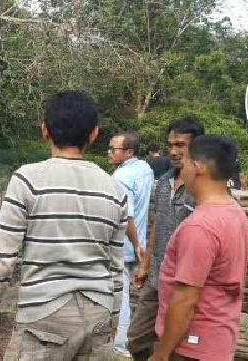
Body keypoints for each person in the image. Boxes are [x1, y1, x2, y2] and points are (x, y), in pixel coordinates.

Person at [0, 90, 128, 361]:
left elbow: (2, 258)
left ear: (44, 130)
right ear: (94, 134)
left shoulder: (27, 179)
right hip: (99, 312)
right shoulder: (115, 189)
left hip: (44, 316)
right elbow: (115, 267)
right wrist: (113, 319)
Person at [149, 135, 248, 361]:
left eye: (183, 162)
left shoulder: (199, 226)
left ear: (197, 167)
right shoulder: (235, 212)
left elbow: (186, 299)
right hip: (219, 342)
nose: (180, 170)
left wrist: (162, 354)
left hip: (191, 347)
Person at [128, 117, 205, 361]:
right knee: (137, 339)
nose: (173, 151)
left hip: (185, 282)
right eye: (170, 145)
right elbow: (155, 226)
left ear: (197, 146)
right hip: (156, 278)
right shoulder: (162, 183)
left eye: (180, 145)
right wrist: (144, 265)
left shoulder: (202, 188)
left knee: (176, 346)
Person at [108, 131, 154, 358]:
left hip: (123, 244)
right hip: (138, 242)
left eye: (113, 149)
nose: (109, 153)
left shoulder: (121, 178)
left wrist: (135, 244)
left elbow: (127, 216)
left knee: (120, 295)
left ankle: (120, 343)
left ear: (129, 152)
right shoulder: (145, 169)